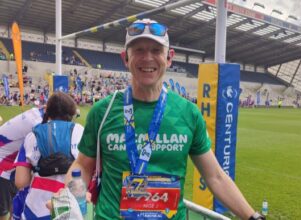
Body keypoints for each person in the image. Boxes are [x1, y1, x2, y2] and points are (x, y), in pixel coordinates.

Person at [62, 18, 264, 219]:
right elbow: (82, 165)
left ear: (169, 57)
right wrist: (69, 198)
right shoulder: (102, 111)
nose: (147, 58)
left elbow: (216, 177)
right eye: (138, 50)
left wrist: (253, 217)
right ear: (125, 58)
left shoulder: (188, 113)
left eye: (156, 50)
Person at [14, 92, 84, 219]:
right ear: (72, 112)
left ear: (48, 112)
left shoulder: (32, 135)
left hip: (35, 209)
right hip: (69, 208)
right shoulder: (80, 131)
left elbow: (20, 181)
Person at [0, 107, 44, 220]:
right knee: (3, 212)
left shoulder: (37, 113)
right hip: (3, 168)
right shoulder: (37, 124)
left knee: (11, 204)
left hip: (9, 165)